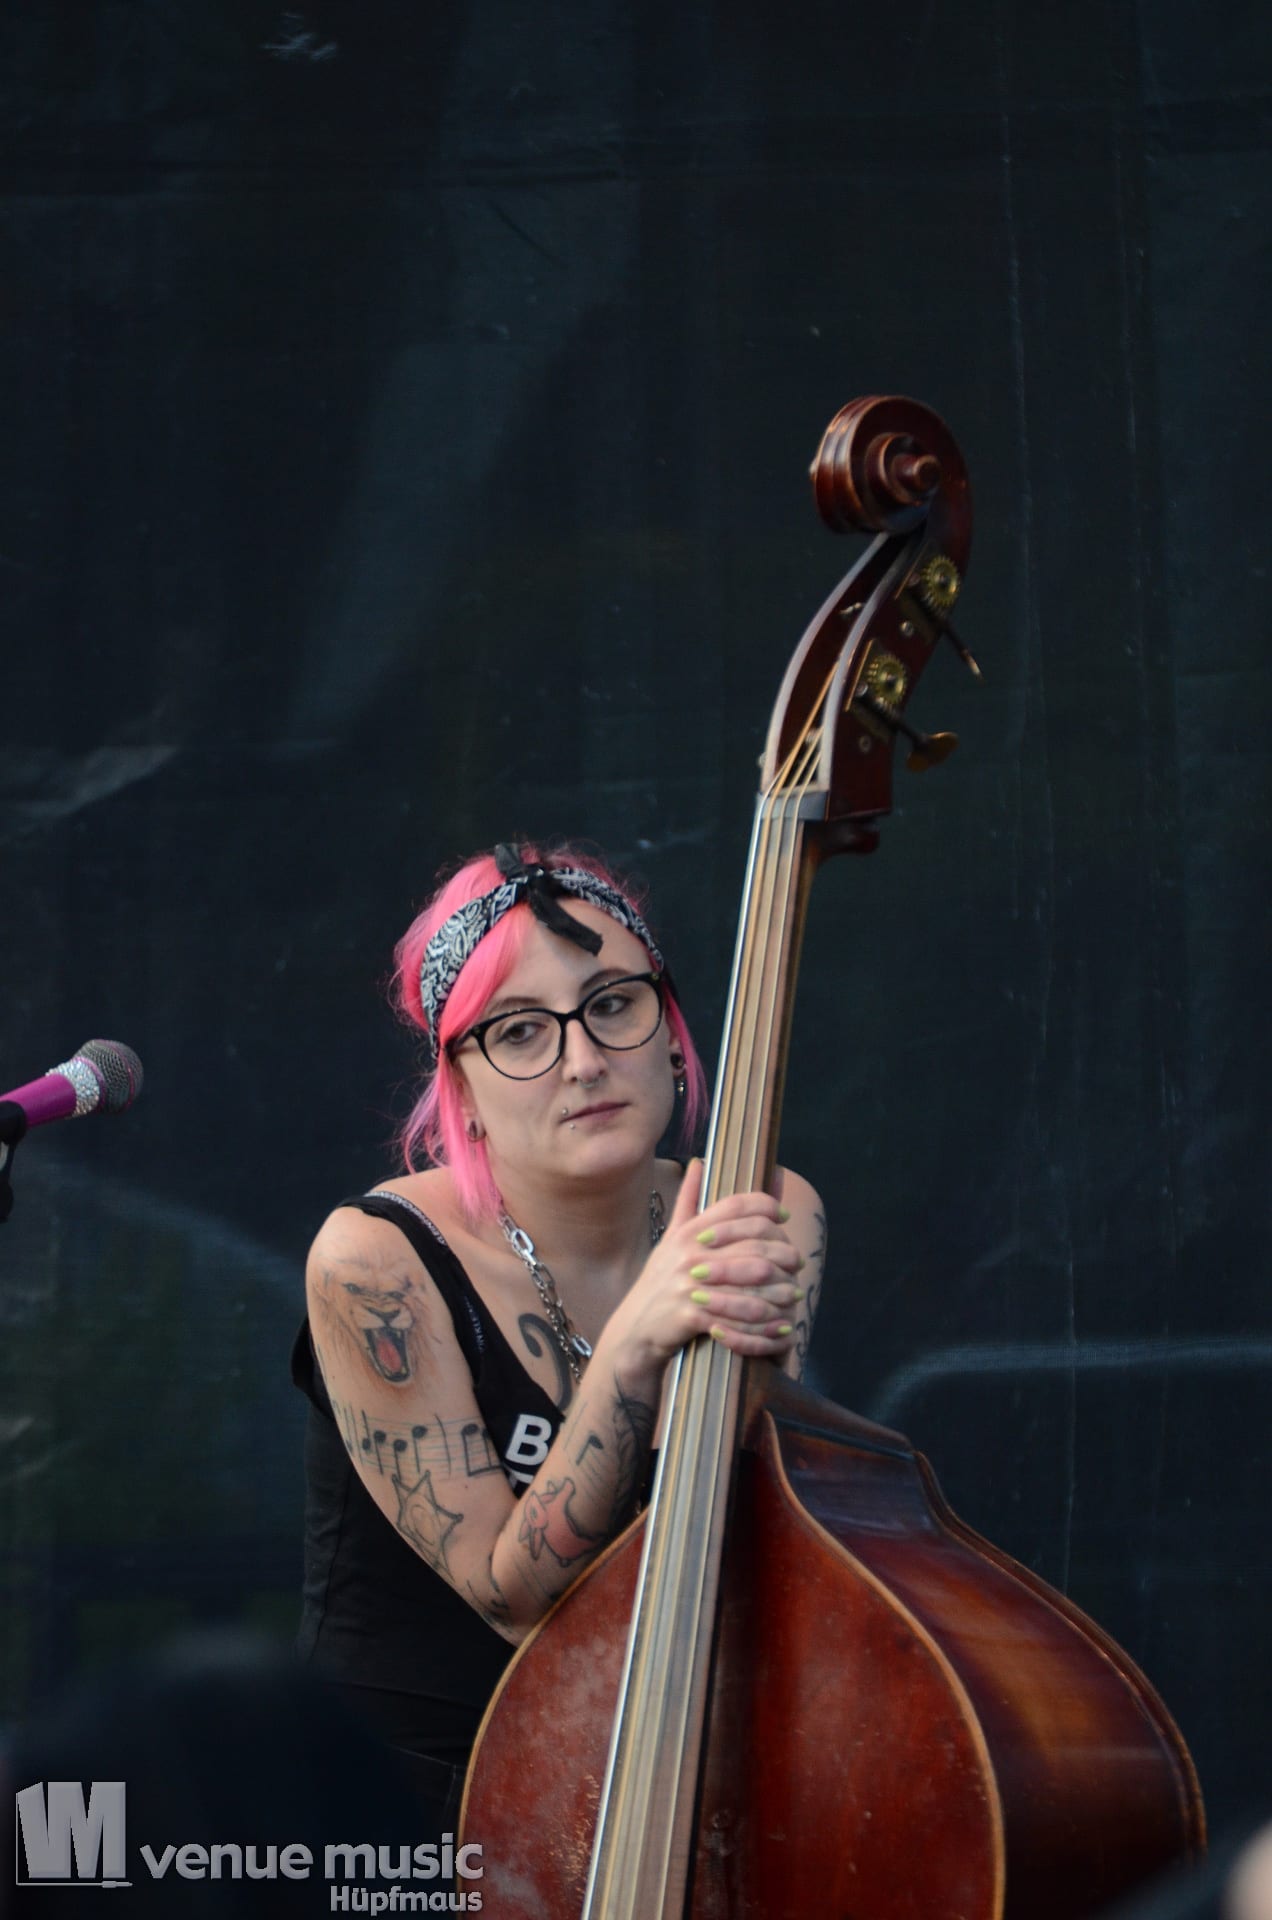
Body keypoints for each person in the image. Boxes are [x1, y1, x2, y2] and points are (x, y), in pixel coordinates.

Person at [291, 841, 826, 1832]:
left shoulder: (763, 1208)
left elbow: (734, 1531)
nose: (584, 1061)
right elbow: (516, 1601)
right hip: (411, 1817)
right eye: (521, 1032)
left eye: (614, 1005)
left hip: (651, 1784)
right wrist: (633, 1345)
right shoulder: (375, 1263)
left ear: (672, 1037)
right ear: (462, 1091)